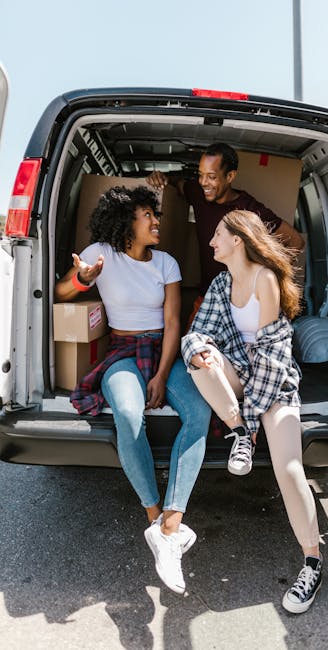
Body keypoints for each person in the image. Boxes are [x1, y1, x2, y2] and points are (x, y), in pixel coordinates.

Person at [54, 185, 211, 596]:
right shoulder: (99, 253)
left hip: (164, 352)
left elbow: (174, 322)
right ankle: (155, 521)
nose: (157, 222)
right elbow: (60, 292)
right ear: (127, 222)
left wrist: (161, 375)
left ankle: (172, 524)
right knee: (126, 412)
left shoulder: (166, 263)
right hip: (123, 351)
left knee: (199, 412)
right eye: (148, 216)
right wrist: (83, 279)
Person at [181, 209, 322, 614]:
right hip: (237, 377)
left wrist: (259, 408)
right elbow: (198, 331)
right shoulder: (220, 283)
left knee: (289, 469)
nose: (211, 243)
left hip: (274, 381)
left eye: (217, 236)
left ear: (238, 239)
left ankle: (312, 561)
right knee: (197, 354)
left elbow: (274, 355)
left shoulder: (265, 279)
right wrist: (206, 352)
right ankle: (239, 433)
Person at [147, 142, 305, 301]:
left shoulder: (249, 209)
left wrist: (265, 280)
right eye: (200, 174)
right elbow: (178, 184)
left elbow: (296, 241)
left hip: (238, 300)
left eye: (211, 176)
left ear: (230, 176)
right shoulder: (197, 192)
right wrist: (161, 177)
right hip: (206, 295)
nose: (203, 182)